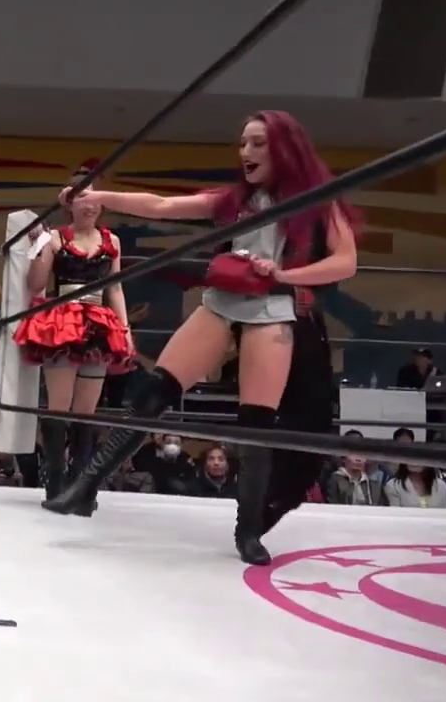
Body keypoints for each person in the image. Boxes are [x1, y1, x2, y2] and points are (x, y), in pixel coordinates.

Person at [43, 111, 361, 568]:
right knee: (153, 394)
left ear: (284, 148)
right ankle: (84, 487)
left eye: (257, 143)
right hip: (222, 301)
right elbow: (161, 206)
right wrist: (96, 196)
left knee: (254, 427)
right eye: (243, 143)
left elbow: (346, 260)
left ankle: (248, 530)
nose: (246, 152)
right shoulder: (233, 200)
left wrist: (285, 275)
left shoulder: (317, 199)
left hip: (272, 308)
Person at [14, 165, 134, 512]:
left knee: (87, 414)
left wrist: (125, 330)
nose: (89, 203)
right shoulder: (56, 238)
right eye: (82, 196)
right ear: (69, 201)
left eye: (94, 196)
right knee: (59, 407)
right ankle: (55, 485)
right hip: (63, 321)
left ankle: (81, 489)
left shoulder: (112, 241)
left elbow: (115, 287)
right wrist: (39, 245)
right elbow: (35, 285)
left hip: (98, 322)